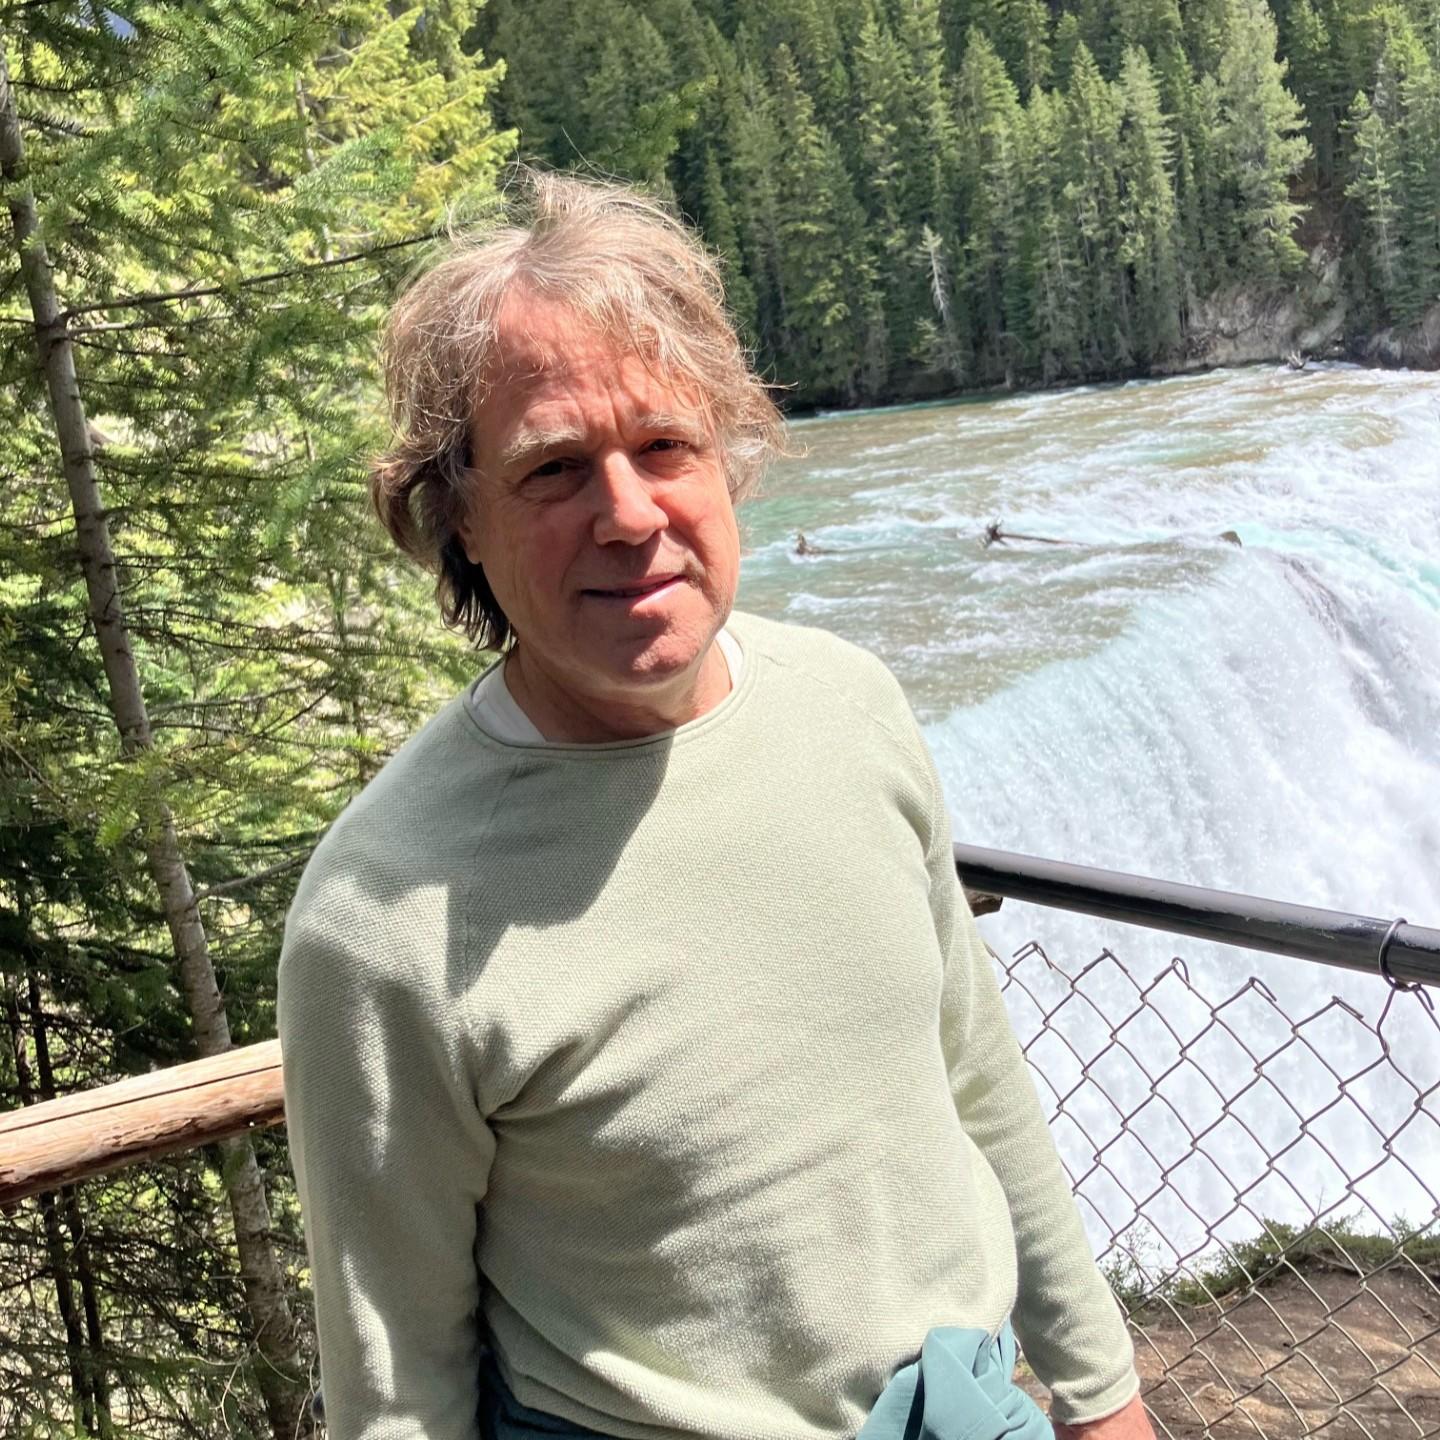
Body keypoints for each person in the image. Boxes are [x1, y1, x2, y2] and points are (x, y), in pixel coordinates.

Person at [277, 172, 1152, 1440]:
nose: (628, 515)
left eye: (665, 446)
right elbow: (396, 1379)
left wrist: (1102, 1395)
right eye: (555, 469)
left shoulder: (850, 708)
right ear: (457, 514)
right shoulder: (384, 917)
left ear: (733, 450)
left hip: (968, 1410)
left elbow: (976, 1078)